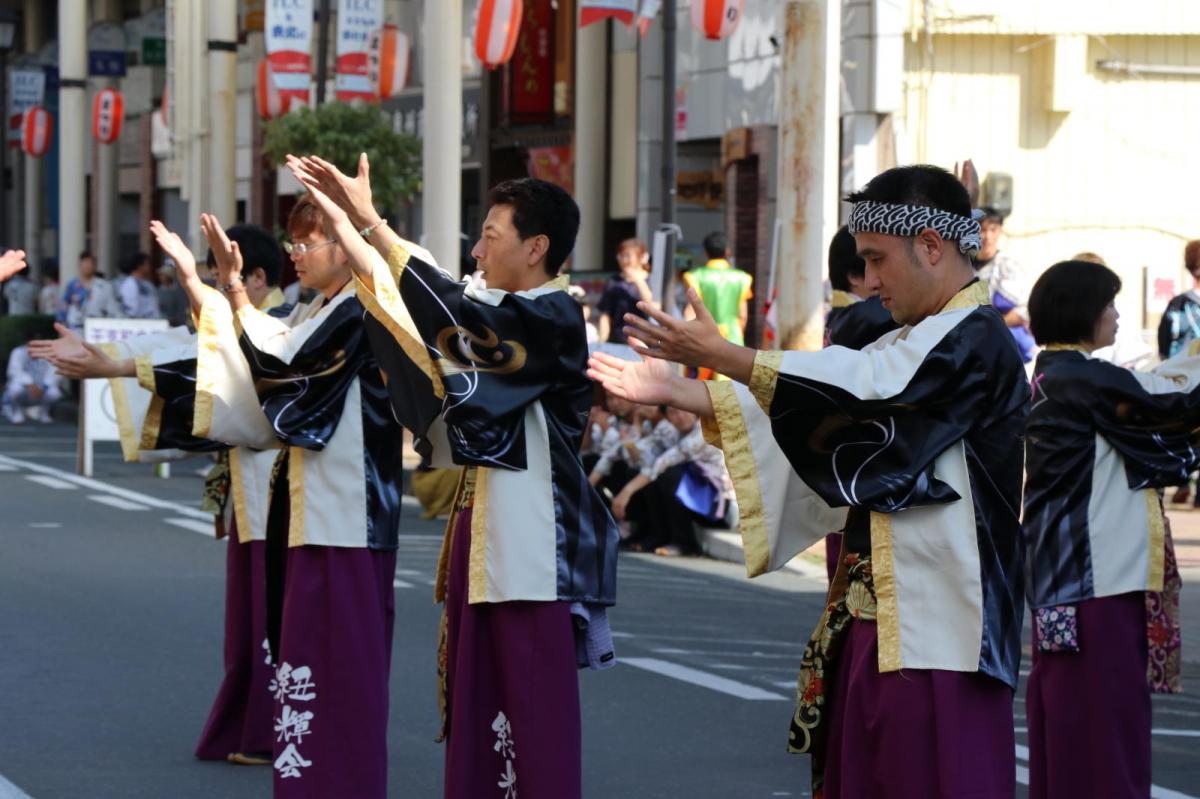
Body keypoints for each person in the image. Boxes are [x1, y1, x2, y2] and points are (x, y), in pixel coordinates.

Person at [589, 164, 1028, 799]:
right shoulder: (920, 337)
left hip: (945, 629)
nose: (870, 282)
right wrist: (678, 390)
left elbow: (867, 391)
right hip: (891, 623)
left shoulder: (975, 338)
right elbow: (840, 392)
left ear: (931, 246)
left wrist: (724, 358)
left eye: (877, 260)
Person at [288, 152, 619, 799]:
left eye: (491, 236)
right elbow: (427, 315)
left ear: (536, 247)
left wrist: (371, 224)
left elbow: (453, 314)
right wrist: (354, 229)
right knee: (482, 709)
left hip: (530, 551)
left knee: (526, 715)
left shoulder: (552, 317)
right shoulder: (503, 309)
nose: (477, 248)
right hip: (488, 540)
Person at [32, 224, 300, 769]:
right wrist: (103, 355)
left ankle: (274, 729)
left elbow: (208, 360)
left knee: (276, 619)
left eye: (219, 274)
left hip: (289, 493)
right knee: (250, 623)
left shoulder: (288, 323)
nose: (207, 286)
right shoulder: (259, 320)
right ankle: (255, 726)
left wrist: (110, 362)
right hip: (253, 490)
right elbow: (191, 350)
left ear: (256, 277)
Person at [1022, 259, 1192, 799]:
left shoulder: (1053, 374)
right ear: (1084, 311)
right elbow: (1172, 407)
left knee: (1067, 725)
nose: (1117, 315)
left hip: (1059, 585)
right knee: (1106, 731)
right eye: (1110, 304)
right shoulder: (1085, 378)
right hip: (1098, 586)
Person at [821, 225, 900, 581]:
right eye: (876, 262)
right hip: (863, 469)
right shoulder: (867, 316)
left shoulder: (842, 316)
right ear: (857, 275)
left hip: (843, 466)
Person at [974, 207, 1035, 362]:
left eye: (993, 230)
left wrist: (993, 326)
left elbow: (1025, 308)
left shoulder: (1008, 265)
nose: (987, 236)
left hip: (1008, 346)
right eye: (982, 230)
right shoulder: (962, 266)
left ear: (1000, 231)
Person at [684, 231, 752, 346]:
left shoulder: (694, 277)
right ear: (727, 252)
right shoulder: (742, 278)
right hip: (733, 340)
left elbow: (690, 312)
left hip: (705, 341)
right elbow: (743, 315)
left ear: (706, 252)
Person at [596, 238, 653, 344]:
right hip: (617, 339)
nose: (623, 260)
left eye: (628, 256)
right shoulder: (614, 281)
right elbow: (605, 314)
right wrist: (602, 340)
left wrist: (638, 280)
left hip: (644, 341)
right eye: (621, 256)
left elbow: (653, 307)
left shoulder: (651, 280)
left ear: (641, 258)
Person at [3, 330, 61, 423]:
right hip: (25, 388)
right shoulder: (18, 352)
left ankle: (43, 412)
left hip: (42, 388)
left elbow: (54, 371)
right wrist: (30, 384)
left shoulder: (49, 353)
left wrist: (44, 386)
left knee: (55, 393)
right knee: (15, 390)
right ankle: (17, 412)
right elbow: (15, 371)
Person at [57, 252, 122, 332]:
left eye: (90, 263)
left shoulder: (104, 286)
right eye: (84, 263)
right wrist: (62, 328)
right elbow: (63, 307)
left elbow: (113, 309)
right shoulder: (72, 285)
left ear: (95, 266)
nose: (87, 266)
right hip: (75, 328)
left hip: (97, 329)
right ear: (80, 265)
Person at [116, 251, 162, 319]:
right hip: (137, 324)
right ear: (139, 266)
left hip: (152, 322)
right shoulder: (129, 284)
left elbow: (154, 306)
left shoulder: (148, 285)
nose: (149, 267)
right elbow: (131, 309)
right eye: (147, 264)